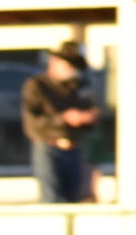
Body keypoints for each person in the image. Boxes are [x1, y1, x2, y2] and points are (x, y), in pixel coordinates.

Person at [23, 48, 99, 204]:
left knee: (73, 200)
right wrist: (64, 118)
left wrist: (86, 118)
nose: (72, 71)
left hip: (74, 148)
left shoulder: (76, 87)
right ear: (54, 63)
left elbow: (89, 113)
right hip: (49, 147)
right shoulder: (37, 85)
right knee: (52, 200)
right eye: (69, 66)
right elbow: (33, 122)